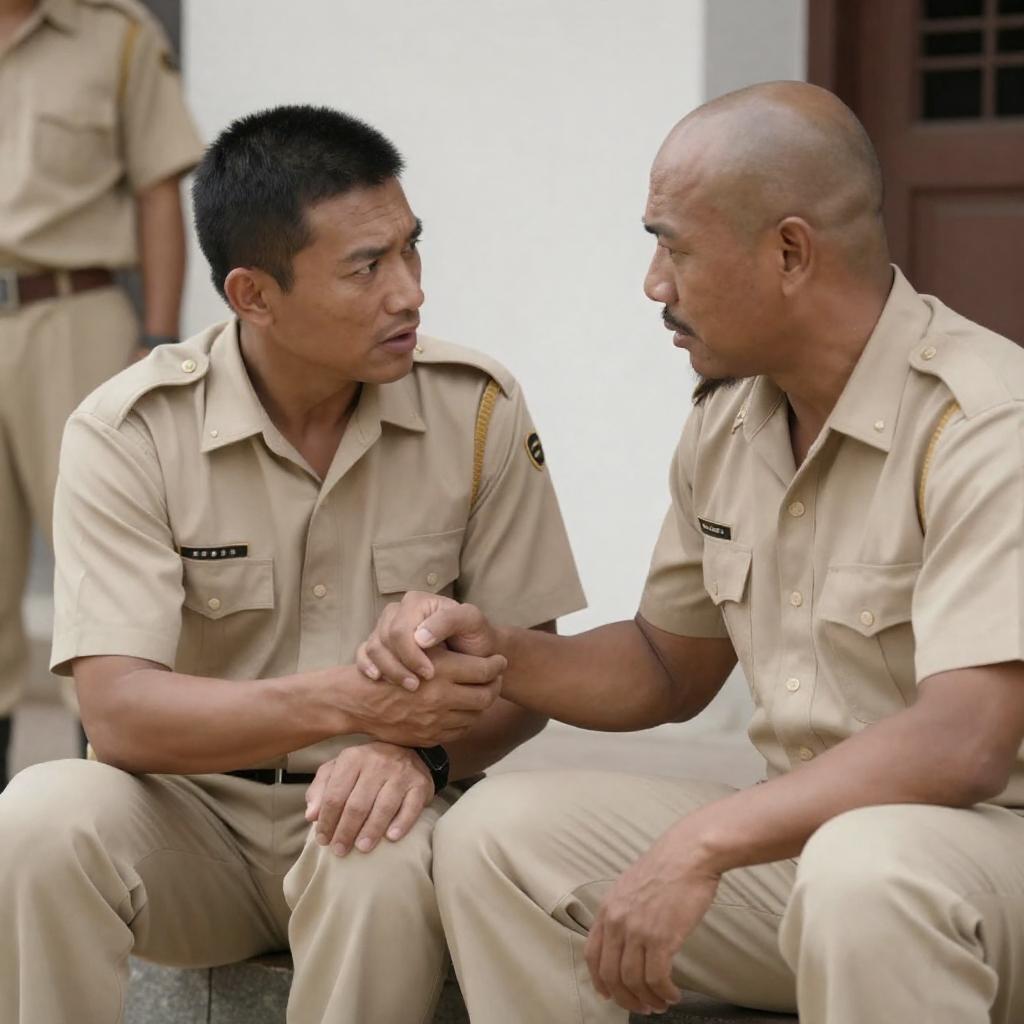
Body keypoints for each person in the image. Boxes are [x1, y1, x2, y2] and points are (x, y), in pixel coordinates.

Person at [359, 81, 1024, 1024]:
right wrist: (494, 650)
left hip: (983, 866)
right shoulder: (731, 420)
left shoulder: (985, 424)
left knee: (867, 872)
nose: (654, 285)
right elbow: (667, 665)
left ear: (790, 252)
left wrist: (705, 839)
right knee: (496, 839)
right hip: (814, 859)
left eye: (672, 246)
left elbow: (966, 740)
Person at [0, 104, 585, 1024]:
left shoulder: (477, 409)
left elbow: (529, 672)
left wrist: (416, 753)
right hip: (188, 828)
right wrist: (354, 704)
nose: (410, 293)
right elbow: (119, 716)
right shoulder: (131, 433)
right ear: (253, 295)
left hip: (388, 810)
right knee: (37, 816)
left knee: (376, 859)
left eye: (412, 249)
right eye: (367, 268)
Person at [0, 0, 203, 788]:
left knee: (100, 567)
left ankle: (102, 796)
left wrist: (157, 337)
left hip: (73, 314)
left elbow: (158, 190)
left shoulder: (115, 37)